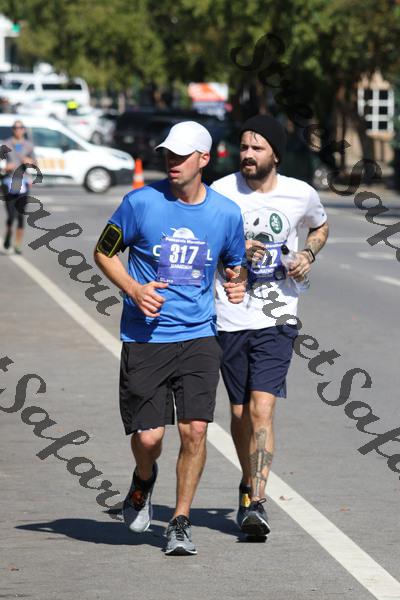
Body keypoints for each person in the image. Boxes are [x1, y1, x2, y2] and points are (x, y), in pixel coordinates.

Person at [94, 121, 247, 556]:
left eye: (182, 155)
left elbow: (234, 264)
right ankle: (143, 480)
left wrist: (236, 282)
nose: (172, 162)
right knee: (149, 439)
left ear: (204, 159)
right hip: (146, 338)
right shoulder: (140, 203)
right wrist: (134, 289)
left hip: (200, 335)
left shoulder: (226, 213)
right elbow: (103, 251)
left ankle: (180, 520)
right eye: (168, 154)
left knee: (195, 430)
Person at [211, 115, 329, 537]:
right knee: (239, 412)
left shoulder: (301, 193)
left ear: (275, 154)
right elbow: (203, 240)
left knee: (262, 408)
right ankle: (248, 483)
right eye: (244, 146)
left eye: (256, 148)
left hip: (277, 316)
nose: (247, 154)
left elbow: (320, 226)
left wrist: (307, 255)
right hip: (228, 315)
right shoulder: (219, 192)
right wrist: (234, 249)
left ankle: (257, 503)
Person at [2, 120, 36, 254]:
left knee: (20, 215)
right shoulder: (6, 144)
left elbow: (36, 163)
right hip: (8, 181)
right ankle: (8, 234)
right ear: (13, 129)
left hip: (23, 182)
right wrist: (5, 167)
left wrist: (30, 162)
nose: (18, 130)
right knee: (11, 215)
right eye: (15, 128)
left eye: (21, 127)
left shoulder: (29, 145)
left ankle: (17, 244)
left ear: (24, 130)